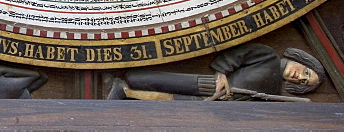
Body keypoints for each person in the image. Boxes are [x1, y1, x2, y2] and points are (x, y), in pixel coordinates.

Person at [107, 43, 325, 100]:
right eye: (306, 72)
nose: (299, 77)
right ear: (300, 59)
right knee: (140, 77)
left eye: (303, 82)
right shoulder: (268, 55)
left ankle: (124, 92)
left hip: (216, 102)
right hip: (210, 84)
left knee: (168, 103)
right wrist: (221, 75)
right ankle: (125, 86)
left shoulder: (275, 91)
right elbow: (237, 55)